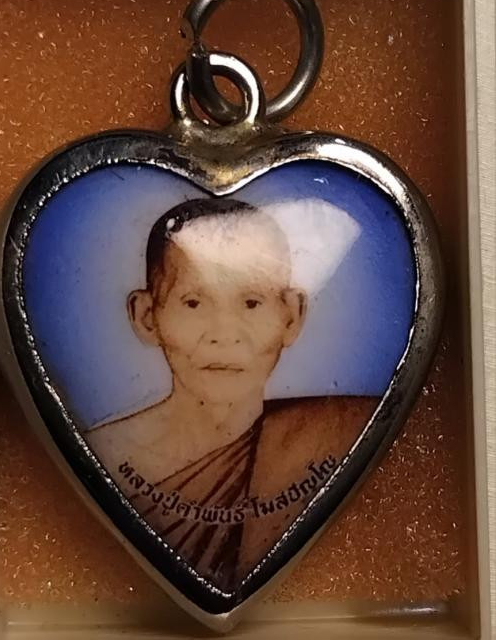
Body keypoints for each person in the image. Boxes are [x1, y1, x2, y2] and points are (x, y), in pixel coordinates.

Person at [86, 198, 376, 590]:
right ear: (147, 316)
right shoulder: (101, 454)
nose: (224, 334)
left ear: (291, 316)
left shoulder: (339, 434)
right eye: (193, 302)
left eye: (251, 302)